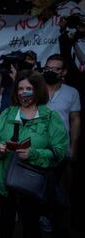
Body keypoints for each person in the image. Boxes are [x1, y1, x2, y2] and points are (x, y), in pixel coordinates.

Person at [0, 70, 68, 238]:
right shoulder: (8, 113)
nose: (24, 92)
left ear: (38, 90)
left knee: (31, 223)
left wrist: (34, 154)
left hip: (33, 184)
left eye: (28, 88)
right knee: (5, 221)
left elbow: (59, 151)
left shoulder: (50, 117)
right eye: (20, 88)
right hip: (6, 181)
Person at [41, 54, 81, 235]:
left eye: (55, 69)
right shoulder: (36, 89)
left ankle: (48, 217)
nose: (50, 71)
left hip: (59, 149)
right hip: (36, 149)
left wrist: (73, 147)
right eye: (48, 68)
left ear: (63, 72)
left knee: (54, 186)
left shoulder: (72, 93)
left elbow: (75, 120)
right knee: (34, 184)